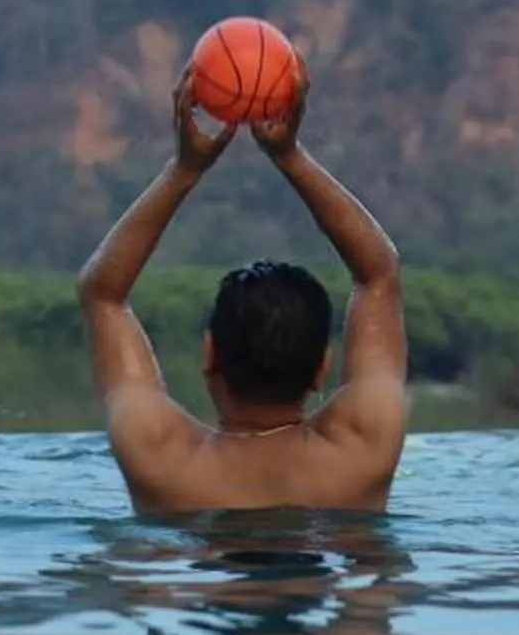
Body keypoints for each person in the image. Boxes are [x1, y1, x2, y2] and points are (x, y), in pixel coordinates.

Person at [77, 67, 406, 514]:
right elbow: (379, 275)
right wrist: (290, 156)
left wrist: (185, 169)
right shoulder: (364, 448)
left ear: (209, 354)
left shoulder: (159, 456)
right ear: (320, 368)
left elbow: (103, 294)